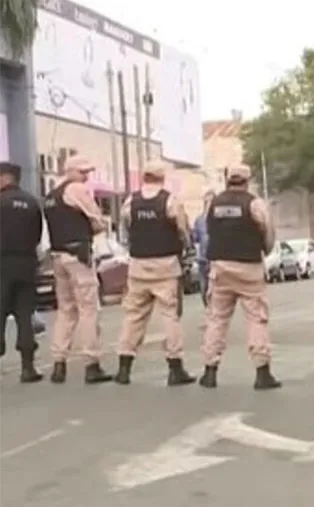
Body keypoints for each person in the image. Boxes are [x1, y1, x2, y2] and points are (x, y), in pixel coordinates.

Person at [113, 160, 196, 386]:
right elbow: (183, 231)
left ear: (144, 177)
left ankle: (124, 367)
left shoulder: (131, 201)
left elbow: (123, 232)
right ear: (162, 178)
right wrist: (186, 250)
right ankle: (175, 367)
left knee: (133, 316)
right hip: (166, 265)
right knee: (170, 315)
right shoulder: (170, 201)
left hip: (138, 265)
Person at [199, 164, 281, 390]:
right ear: (247, 180)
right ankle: (262, 373)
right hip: (248, 266)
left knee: (217, 319)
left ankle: (209, 371)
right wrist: (264, 251)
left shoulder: (213, 203)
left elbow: (208, 229)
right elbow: (268, 233)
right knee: (256, 318)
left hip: (221, 265)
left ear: (227, 179)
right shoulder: (254, 204)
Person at [43, 156, 112, 384]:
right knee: (89, 309)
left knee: (65, 310)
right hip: (78, 255)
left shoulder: (52, 195)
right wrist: (95, 227)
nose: (86, 176)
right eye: (83, 172)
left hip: (57, 255)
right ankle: (91, 363)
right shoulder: (76, 189)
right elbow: (97, 218)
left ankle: (59, 362)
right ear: (71, 171)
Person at [0, 162, 45, 383]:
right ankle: (28, 368)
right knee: (24, 316)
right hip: (27, 263)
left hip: (2, 263)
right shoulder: (31, 202)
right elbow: (37, 234)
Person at [192, 190, 215, 307]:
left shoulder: (218, 218)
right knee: (203, 288)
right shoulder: (199, 220)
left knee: (215, 288)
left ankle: (213, 315)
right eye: (207, 201)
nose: (209, 203)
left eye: (211, 201)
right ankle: (208, 308)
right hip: (202, 259)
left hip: (215, 259)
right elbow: (195, 238)